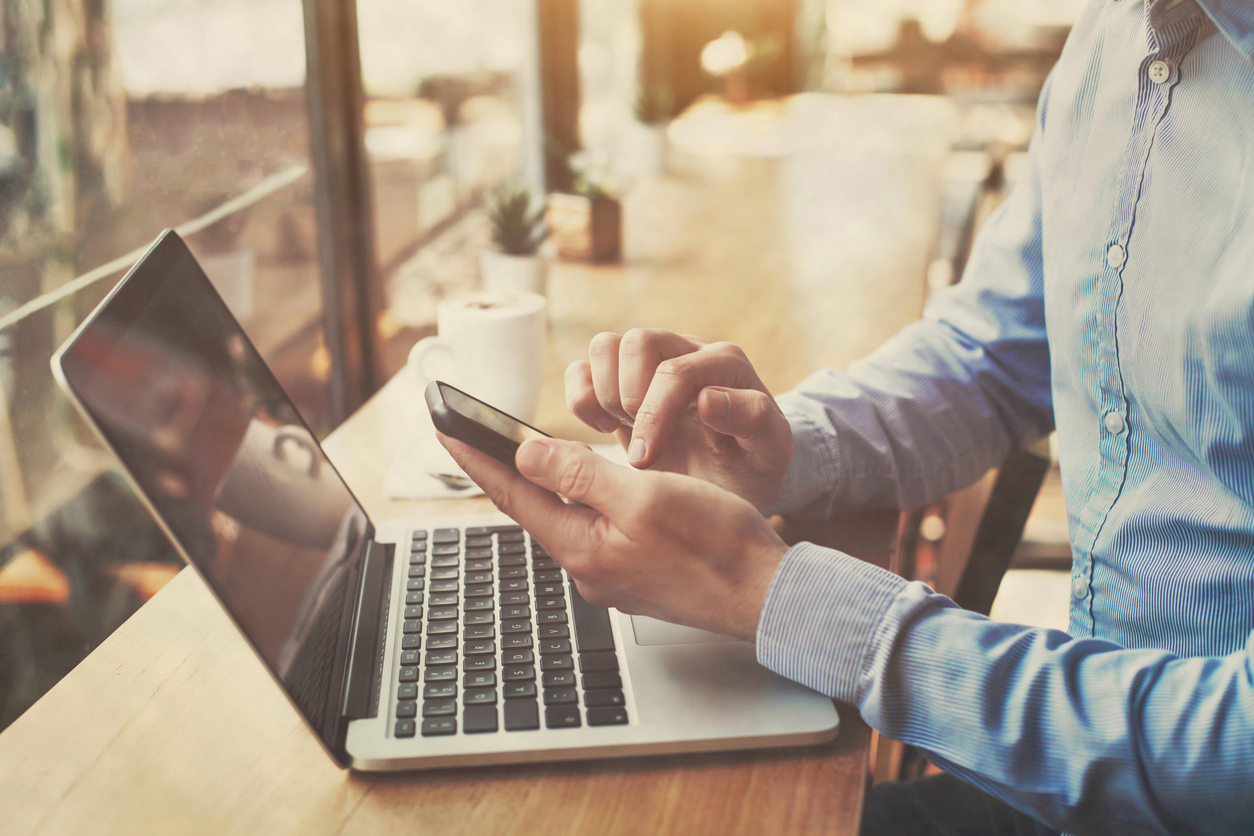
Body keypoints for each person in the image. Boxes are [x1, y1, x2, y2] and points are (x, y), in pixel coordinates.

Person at [441, 1, 1254, 833]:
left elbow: (1236, 754)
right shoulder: (1114, 35)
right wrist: (783, 451)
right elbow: (995, 353)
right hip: (1069, 753)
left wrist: (773, 597)